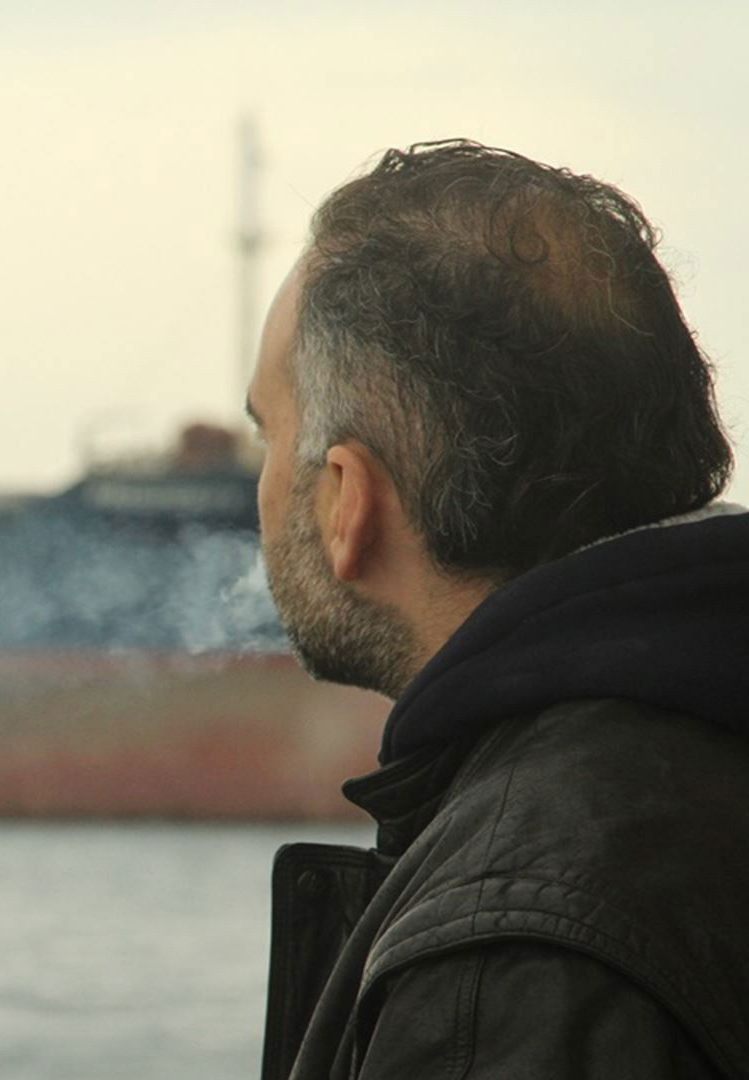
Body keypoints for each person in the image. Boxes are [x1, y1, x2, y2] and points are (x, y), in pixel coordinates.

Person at [246, 140, 749, 1080]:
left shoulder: (503, 955)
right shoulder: (706, 749)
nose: (262, 485)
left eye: (267, 434)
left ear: (347, 499)